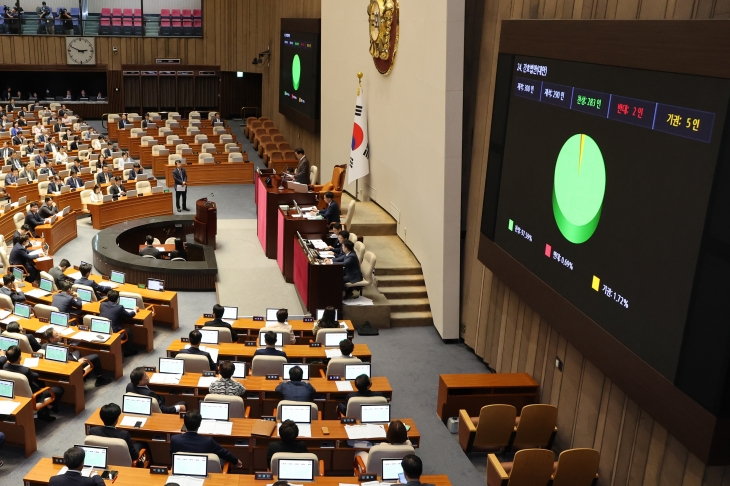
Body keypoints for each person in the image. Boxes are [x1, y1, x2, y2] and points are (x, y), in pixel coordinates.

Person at [4, 345, 64, 421]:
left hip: (16, 393)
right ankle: (48, 407)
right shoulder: (25, 370)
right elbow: (36, 376)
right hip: (33, 396)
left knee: (40, 383)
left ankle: (45, 406)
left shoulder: (5, 366)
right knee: (60, 390)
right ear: (20, 357)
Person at [170, 410, 243, 469]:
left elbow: (172, 457)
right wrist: (236, 461)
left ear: (184, 424)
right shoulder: (208, 441)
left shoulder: (175, 439)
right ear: (199, 424)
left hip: (183, 470)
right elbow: (224, 453)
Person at [43, 328, 111, 386]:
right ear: (51, 339)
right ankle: (100, 380)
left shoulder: (44, 345)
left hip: (65, 360)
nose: (59, 334)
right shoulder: (61, 349)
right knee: (95, 356)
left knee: (77, 352)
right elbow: (71, 361)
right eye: (57, 334)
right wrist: (78, 362)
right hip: (71, 365)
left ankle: (83, 377)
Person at [100, 290, 138, 356]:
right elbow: (129, 315)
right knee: (129, 331)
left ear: (107, 297)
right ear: (117, 299)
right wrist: (135, 310)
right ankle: (127, 351)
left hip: (102, 328)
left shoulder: (102, 304)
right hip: (114, 332)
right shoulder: (119, 307)